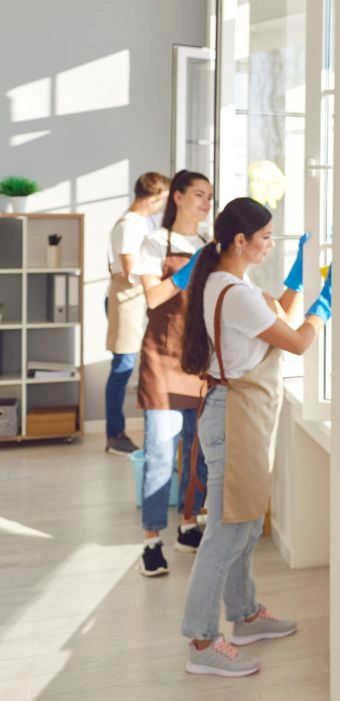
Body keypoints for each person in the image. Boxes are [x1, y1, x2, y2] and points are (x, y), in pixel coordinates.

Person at [177, 197, 331, 678]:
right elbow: (298, 339)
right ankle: (202, 640)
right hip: (235, 418)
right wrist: (325, 304)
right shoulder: (234, 292)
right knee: (227, 530)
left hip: (238, 414)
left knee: (242, 524)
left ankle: (243, 615)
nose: (269, 245)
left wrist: (297, 282)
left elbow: (270, 321)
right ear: (240, 241)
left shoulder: (227, 283)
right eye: (265, 238)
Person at [131, 170, 213, 574]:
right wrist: (185, 271)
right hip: (162, 362)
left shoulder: (207, 245)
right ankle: (151, 542)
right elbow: (152, 298)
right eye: (199, 194)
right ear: (177, 196)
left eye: (210, 197)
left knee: (197, 455)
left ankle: (188, 525)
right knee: (161, 457)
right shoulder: (153, 243)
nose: (206, 203)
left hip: (198, 363)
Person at [104, 172, 169, 454]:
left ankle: (116, 432)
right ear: (153, 197)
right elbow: (131, 270)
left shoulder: (138, 223)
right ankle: (114, 434)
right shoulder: (129, 225)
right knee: (122, 368)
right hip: (125, 301)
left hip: (132, 301)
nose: (163, 206)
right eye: (163, 199)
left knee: (126, 366)